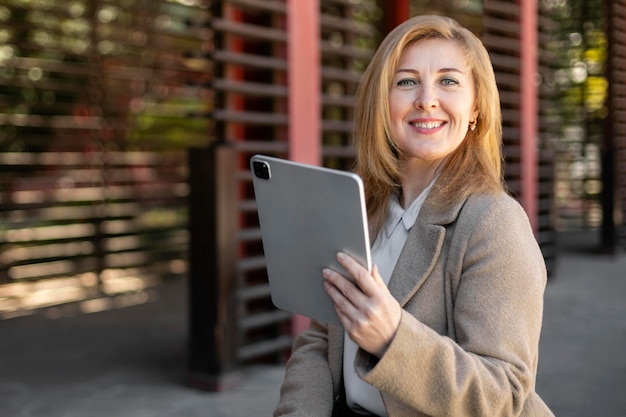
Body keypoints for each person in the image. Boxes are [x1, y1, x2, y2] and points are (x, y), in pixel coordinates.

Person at [273, 15, 553, 417]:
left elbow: (502, 395)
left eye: (449, 81)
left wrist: (392, 338)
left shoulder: (494, 221)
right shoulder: (361, 206)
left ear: (476, 108)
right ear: (382, 104)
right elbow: (321, 339)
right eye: (406, 81)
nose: (426, 99)